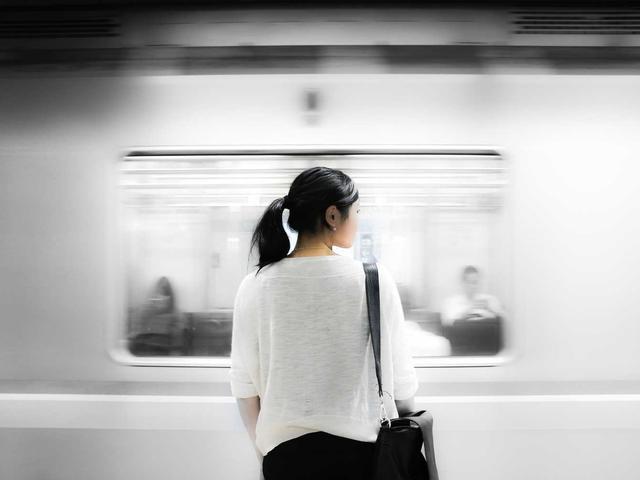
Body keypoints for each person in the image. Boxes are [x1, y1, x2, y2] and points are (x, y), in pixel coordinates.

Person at [228, 166, 419, 480]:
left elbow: (244, 386)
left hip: (284, 461)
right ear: (333, 216)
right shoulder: (374, 280)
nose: (358, 220)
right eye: (356, 211)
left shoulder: (254, 284)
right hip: (363, 460)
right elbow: (401, 383)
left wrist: (265, 456)